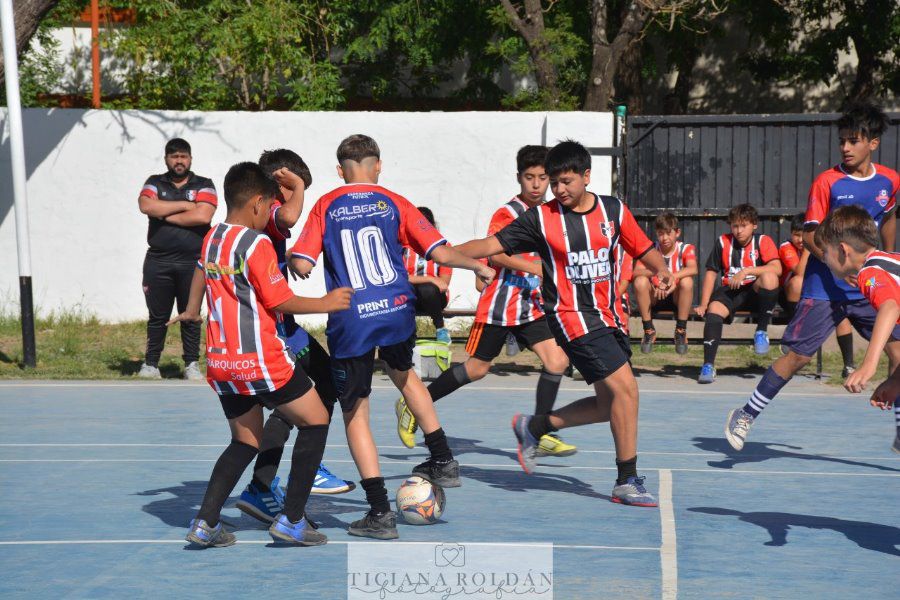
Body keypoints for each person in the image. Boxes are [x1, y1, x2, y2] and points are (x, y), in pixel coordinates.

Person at [289, 134, 495, 539]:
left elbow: (300, 263)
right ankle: (443, 458)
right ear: (378, 166)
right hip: (397, 307)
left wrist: (290, 261)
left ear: (339, 171)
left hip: (351, 316)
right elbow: (439, 252)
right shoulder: (395, 202)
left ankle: (380, 512)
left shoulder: (326, 205)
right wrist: (477, 267)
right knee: (405, 375)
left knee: (355, 412)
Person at [454, 140, 675, 507]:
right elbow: (490, 244)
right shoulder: (541, 218)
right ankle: (626, 479)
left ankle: (535, 426)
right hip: (571, 318)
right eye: (554, 182)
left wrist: (662, 269)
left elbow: (642, 246)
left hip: (608, 316)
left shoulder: (613, 210)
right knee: (628, 391)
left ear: (587, 176)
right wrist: (435, 249)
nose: (559, 190)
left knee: (609, 405)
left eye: (566, 181)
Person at [170, 162, 353, 547]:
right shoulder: (257, 244)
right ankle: (291, 520)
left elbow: (200, 275)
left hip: (221, 363)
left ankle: (205, 523)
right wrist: (327, 302)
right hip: (261, 360)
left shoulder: (212, 238)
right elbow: (279, 299)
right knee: (316, 420)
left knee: (244, 442)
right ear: (256, 203)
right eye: (268, 206)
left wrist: (189, 310)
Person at [724, 102, 900, 453]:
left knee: (898, 352)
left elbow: (889, 219)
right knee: (798, 356)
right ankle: (745, 413)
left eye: (853, 141)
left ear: (873, 143)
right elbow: (810, 235)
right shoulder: (827, 182)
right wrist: (839, 268)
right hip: (824, 285)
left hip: (864, 282)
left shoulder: (889, 181)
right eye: (842, 141)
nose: (846, 148)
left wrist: (883, 260)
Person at [395, 145, 575, 458]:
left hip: (531, 305)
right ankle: (415, 401)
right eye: (529, 177)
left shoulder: (552, 213)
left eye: (542, 178)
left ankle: (539, 430)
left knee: (557, 361)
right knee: (477, 369)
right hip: (501, 305)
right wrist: (534, 267)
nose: (536, 184)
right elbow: (494, 252)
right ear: (519, 178)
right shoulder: (507, 213)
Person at [230, 150, 354, 527]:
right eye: (291, 189)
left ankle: (262, 485)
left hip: (282, 325)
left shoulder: (259, 221)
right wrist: (297, 187)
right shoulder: (267, 210)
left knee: (321, 385)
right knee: (313, 393)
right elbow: (288, 215)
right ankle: (298, 469)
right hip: (272, 329)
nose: (294, 198)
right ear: (276, 187)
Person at [816, 205, 900, 453]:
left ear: (842, 250)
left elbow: (890, 307)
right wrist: (895, 382)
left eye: (825, 253)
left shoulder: (870, 273)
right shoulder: (890, 262)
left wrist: (869, 364)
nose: (824, 260)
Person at [137, 138, 217, 380]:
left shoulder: (204, 184)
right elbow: (145, 205)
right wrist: (185, 204)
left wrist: (164, 213)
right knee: (157, 316)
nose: (179, 161)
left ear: (190, 159)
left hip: (193, 261)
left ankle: (191, 364)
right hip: (158, 260)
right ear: (166, 159)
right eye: (174, 156)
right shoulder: (154, 182)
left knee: (191, 314)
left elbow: (203, 216)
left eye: (183, 156)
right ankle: (151, 364)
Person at [695, 204, 781, 383]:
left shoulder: (763, 241)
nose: (739, 230)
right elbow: (711, 274)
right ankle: (708, 365)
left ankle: (761, 331)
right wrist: (703, 303)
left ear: (754, 225)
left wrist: (747, 271)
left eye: (743, 225)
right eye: (735, 226)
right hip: (731, 291)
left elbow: (777, 268)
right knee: (714, 310)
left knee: (770, 277)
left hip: (755, 292)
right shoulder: (722, 242)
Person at [780, 212, 856, 375]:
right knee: (796, 283)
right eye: (796, 235)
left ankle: (849, 364)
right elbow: (799, 272)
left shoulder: (827, 247)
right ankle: (796, 331)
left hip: (816, 296)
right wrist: (809, 249)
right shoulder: (786, 247)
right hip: (791, 294)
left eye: (803, 236)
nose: (800, 240)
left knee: (841, 315)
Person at [632, 212, 697, 354]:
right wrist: (657, 276)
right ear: (656, 233)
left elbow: (693, 268)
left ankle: (681, 330)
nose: (665, 238)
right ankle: (648, 330)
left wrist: (669, 278)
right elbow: (636, 272)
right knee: (640, 282)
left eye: (668, 233)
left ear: (677, 233)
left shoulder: (685, 248)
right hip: (654, 295)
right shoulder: (650, 249)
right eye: (661, 233)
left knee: (687, 281)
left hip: (676, 298)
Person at [402, 206, 453, 343]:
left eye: (425, 223)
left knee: (427, 289)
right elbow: (400, 278)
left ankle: (440, 328)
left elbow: (443, 284)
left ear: (432, 225)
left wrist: (421, 281)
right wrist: (430, 278)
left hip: (434, 298)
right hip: (409, 296)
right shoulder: (403, 248)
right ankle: (407, 334)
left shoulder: (444, 247)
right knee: (401, 290)